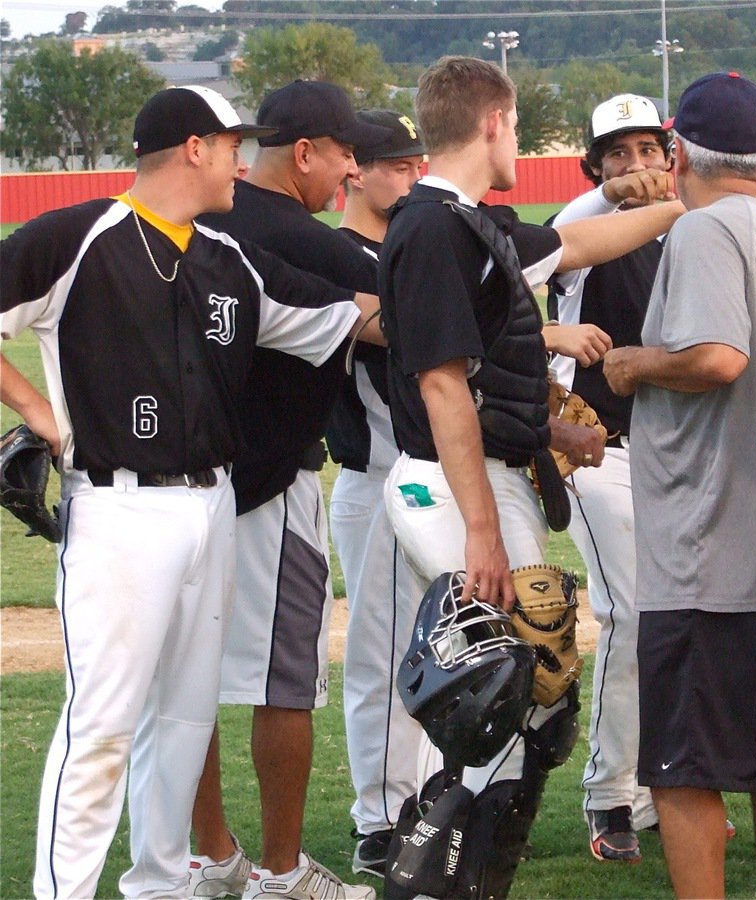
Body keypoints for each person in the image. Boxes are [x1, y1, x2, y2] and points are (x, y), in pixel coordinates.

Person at [0, 85, 373, 899]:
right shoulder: (80, 234)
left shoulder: (226, 258)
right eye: (234, 142)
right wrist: (35, 409)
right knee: (101, 724)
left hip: (213, 506)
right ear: (194, 147)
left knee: (182, 720)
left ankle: (161, 885)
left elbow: (352, 316)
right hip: (117, 508)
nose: (245, 158)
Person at [377, 56, 683, 898]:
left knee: (524, 694)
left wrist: (674, 206)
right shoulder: (435, 228)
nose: (516, 141)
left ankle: (467, 875)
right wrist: (480, 525)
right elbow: (442, 387)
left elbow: (582, 240)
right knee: (497, 689)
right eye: (513, 126)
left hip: (478, 474)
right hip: (450, 483)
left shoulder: (473, 223)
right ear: (491, 125)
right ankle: (436, 877)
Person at [601, 71, 756, 899]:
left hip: (712, 553)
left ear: (677, 153)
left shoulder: (706, 233)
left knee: (680, 771)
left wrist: (636, 363)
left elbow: (716, 357)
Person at [188, 80, 392, 899]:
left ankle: (209, 853)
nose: (349, 172)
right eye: (346, 153)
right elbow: (399, 318)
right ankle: (279, 871)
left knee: (183, 683)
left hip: (174, 487)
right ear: (305, 152)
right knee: (284, 686)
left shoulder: (189, 225)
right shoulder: (317, 245)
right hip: (269, 487)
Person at [544, 92, 674, 863]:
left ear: (670, 154)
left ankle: (664, 782)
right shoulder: (583, 224)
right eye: (615, 154)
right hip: (599, 453)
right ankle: (609, 796)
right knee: (631, 614)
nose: (634, 167)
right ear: (594, 165)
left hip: (679, 456)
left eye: (646, 151)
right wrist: (610, 193)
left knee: (679, 617)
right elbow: (565, 237)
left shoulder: (682, 228)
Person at [331, 107, 431, 879]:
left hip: (433, 481)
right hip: (377, 477)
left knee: (438, 650)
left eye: (413, 161)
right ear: (354, 169)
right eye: (395, 163)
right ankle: (380, 818)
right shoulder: (339, 254)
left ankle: (424, 804)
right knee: (380, 655)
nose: (410, 173)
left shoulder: (412, 242)